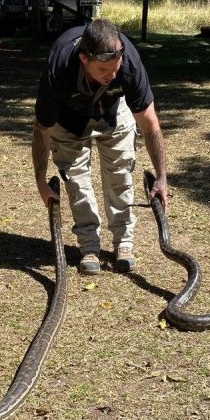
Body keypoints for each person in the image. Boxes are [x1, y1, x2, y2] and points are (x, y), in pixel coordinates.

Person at [31, 18, 167, 275]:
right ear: (84, 59)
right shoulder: (59, 67)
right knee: (76, 180)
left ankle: (124, 243)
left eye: (115, 70)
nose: (112, 76)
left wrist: (161, 176)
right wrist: (40, 179)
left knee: (120, 174)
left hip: (114, 113)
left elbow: (150, 124)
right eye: (104, 72)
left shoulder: (128, 64)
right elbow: (41, 128)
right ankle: (89, 246)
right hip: (68, 118)